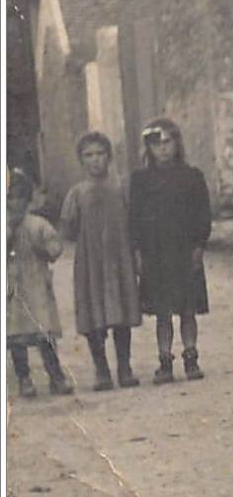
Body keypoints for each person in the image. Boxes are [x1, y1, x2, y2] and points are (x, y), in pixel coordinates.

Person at [128, 119, 212, 384]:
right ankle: (164, 360)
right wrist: (138, 252)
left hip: (184, 249)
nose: (163, 149)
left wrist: (199, 245)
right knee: (162, 311)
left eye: (167, 142)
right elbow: (135, 219)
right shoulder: (140, 181)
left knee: (187, 308)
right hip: (156, 253)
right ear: (148, 149)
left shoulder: (192, 177)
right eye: (156, 144)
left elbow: (203, 214)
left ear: (177, 144)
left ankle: (191, 357)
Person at [60, 132, 143, 391]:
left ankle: (124, 368)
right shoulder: (77, 193)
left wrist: (135, 252)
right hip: (90, 263)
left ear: (109, 156)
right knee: (93, 315)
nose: (95, 160)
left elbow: (134, 221)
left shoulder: (122, 187)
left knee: (121, 313)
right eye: (89, 155)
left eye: (100, 154)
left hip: (120, 260)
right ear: (81, 161)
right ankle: (102, 370)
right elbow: (68, 228)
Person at [7, 168, 72, 398]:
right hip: (11, 290)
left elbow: (55, 247)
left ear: (27, 199)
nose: (14, 203)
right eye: (8, 198)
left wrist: (46, 249)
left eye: (18, 197)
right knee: (15, 336)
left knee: (44, 333)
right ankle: (24, 378)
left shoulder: (37, 224)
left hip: (35, 286)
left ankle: (56, 376)